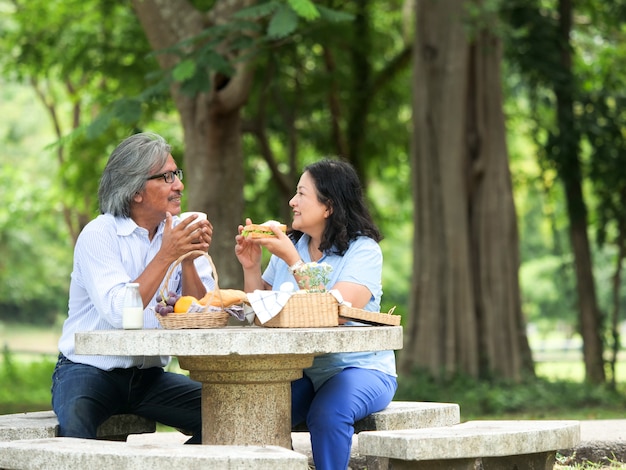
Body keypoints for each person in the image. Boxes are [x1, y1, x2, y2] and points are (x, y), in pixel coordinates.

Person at [52, 132, 214, 444]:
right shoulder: (99, 234)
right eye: (166, 177)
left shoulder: (178, 233)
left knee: (226, 413)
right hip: (87, 370)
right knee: (75, 433)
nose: (179, 185)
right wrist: (168, 254)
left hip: (148, 377)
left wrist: (188, 259)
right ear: (135, 191)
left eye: (176, 174)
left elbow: (201, 313)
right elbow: (118, 312)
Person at [235, 159, 397, 470]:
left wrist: (293, 260)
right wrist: (251, 266)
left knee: (327, 413)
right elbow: (262, 315)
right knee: (256, 409)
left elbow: (335, 312)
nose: (292, 202)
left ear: (329, 206)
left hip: (360, 369)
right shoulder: (292, 247)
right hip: (305, 371)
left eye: (301, 194)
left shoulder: (362, 252)